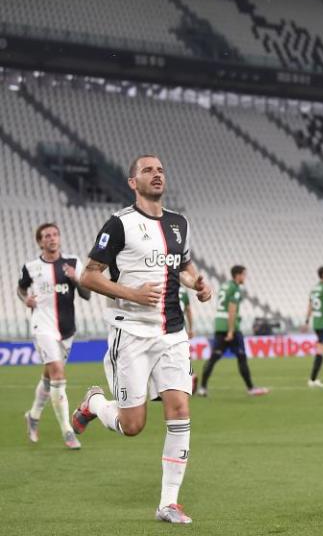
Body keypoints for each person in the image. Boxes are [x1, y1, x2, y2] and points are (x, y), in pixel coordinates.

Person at [71, 154, 213, 524]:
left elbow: (182, 265)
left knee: (180, 409)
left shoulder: (180, 223)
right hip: (130, 332)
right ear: (133, 182)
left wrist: (197, 283)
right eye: (148, 170)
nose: (157, 174)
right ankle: (95, 402)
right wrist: (132, 294)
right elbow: (89, 276)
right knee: (132, 426)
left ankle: (169, 503)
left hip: (172, 331)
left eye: (161, 169)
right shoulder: (119, 224)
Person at [19, 222, 90, 449]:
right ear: (40, 242)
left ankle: (33, 416)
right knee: (58, 375)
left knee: (49, 377)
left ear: (59, 238)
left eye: (55, 234)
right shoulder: (30, 267)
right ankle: (68, 432)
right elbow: (21, 289)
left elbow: (87, 295)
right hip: (43, 326)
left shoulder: (73, 263)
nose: (51, 238)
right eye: (46, 236)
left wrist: (76, 279)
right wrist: (25, 300)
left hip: (67, 329)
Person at [197, 265, 268, 397]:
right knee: (241, 357)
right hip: (231, 327)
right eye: (244, 275)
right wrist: (230, 331)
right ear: (238, 275)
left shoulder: (225, 286)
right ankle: (251, 388)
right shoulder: (235, 288)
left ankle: (202, 388)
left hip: (219, 325)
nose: (245, 277)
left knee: (213, 358)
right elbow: (232, 309)